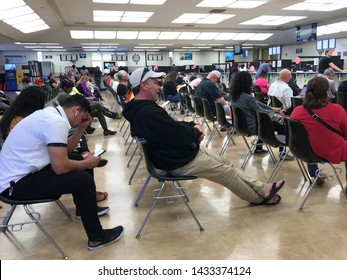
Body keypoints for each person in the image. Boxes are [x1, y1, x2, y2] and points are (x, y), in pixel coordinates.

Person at [122, 67, 286, 206]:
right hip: (178, 161)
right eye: (156, 83)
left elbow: (172, 128)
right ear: (143, 85)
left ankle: (261, 188)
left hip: (176, 155)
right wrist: (195, 132)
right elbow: (176, 134)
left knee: (225, 162)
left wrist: (193, 126)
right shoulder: (147, 112)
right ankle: (259, 198)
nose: (160, 86)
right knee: (226, 172)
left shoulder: (143, 109)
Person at [0, 94, 124, 250]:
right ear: (76, 110)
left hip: (22, 175)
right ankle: (97, 238)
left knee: (80, 163)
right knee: (83, 180)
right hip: (14, 186)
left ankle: (84, 209)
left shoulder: (51, 115)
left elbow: (65, 151)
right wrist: (87, 163)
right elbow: (60, 167)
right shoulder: (56, 122)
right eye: (84, 117)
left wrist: (81, 129)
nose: (85, 120)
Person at [291, 76, 347, 183]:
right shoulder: (337, 109)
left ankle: (314, 173)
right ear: (327, 92)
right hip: (330, 150)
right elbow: (345, 133)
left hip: (304, 150)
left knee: (309, 137)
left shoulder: (297, 111)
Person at [230, 71, 292, 160]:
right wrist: (276, 115)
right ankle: (282, 153)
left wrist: (272, 109)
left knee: (265, 122)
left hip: (241, 125)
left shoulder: (235, 95)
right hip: (252, 126)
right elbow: (260, 111)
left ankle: (258, 148)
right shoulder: (247, 97)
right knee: (281, 125)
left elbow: (256, 103)